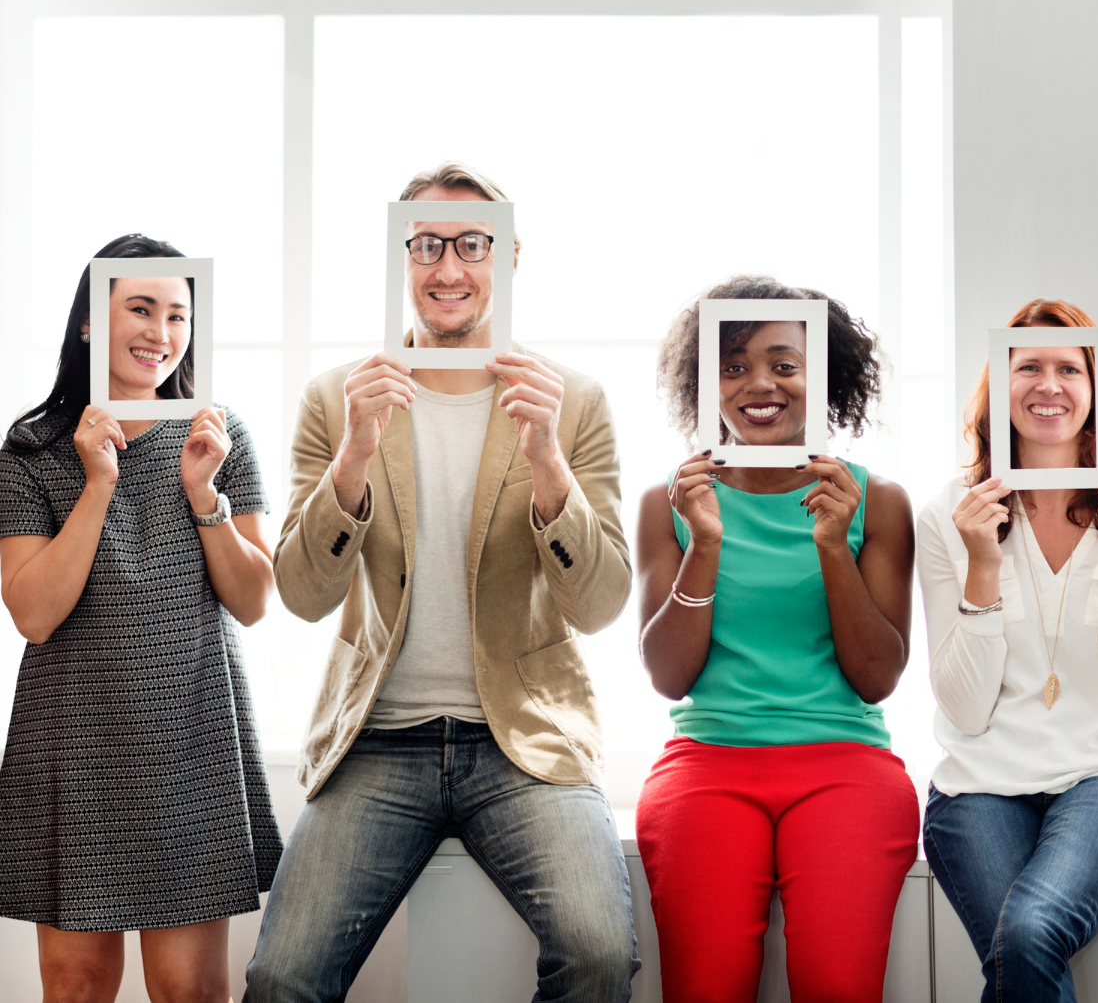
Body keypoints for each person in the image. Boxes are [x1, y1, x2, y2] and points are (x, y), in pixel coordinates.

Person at [245, 162, 637, 1001]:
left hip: (525, 743)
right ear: (402, 256)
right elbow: (304, 597)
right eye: (426, 245)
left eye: (471, 245)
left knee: (600, 953)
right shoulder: (337, 398)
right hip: (379, 739)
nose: (448, 268)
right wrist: (353, 455)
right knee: (281, 977)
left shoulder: (572, 400)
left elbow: (601, 605)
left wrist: (548, 464)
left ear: (510, 258)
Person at [0, 235, 280, 1002]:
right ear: (92, 320)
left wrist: (203, 494)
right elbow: (34, 614)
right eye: (142, 309)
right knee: (77, 986)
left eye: (177, 315)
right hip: (72, 741)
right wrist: (98, 485)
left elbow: (254, 602)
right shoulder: (32, 449)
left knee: (190, 989)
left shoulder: (217, 436)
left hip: (191, 737)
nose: (161, 331)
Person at [634, 275, 918, 1002]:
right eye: (733, 366)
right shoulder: (670, 502)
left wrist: (831, 544)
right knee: (706, 989)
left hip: (845, 760)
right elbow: (668, 676)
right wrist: (705, 543)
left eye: (784, 364)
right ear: (706, 385)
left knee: (835, 985)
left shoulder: (877, 501)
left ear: (824, 377)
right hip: (708, 759)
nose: (759, 383)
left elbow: (877, 676)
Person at [918, 298, 1098, 1002]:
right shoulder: (949, 514)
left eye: (1070, 368)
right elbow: (966, 711)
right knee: (1023, 949)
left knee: (1028, 934)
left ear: (1095, 391)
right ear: (999, 387)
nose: (1049, 385)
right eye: (1027, 366)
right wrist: (981, 565)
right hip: (979, 785)